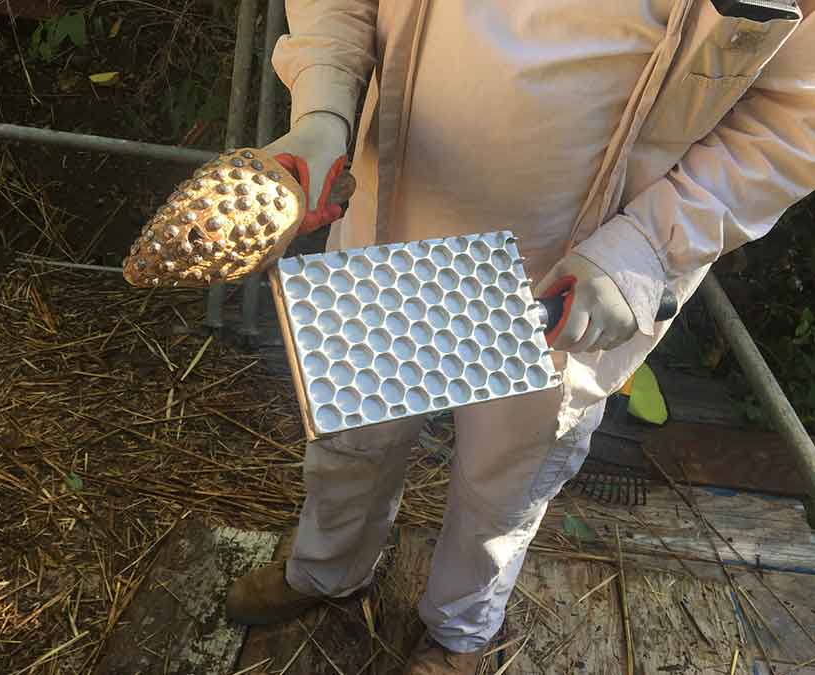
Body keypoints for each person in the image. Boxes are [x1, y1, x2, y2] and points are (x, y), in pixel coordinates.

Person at [226, 1, 815, 672]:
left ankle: (460, 629)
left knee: (506, 483)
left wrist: (648, 247)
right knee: (351, 437)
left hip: (574, 268)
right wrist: (324, 106)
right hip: (392, 209)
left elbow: (794, 116)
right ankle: (325, 569)